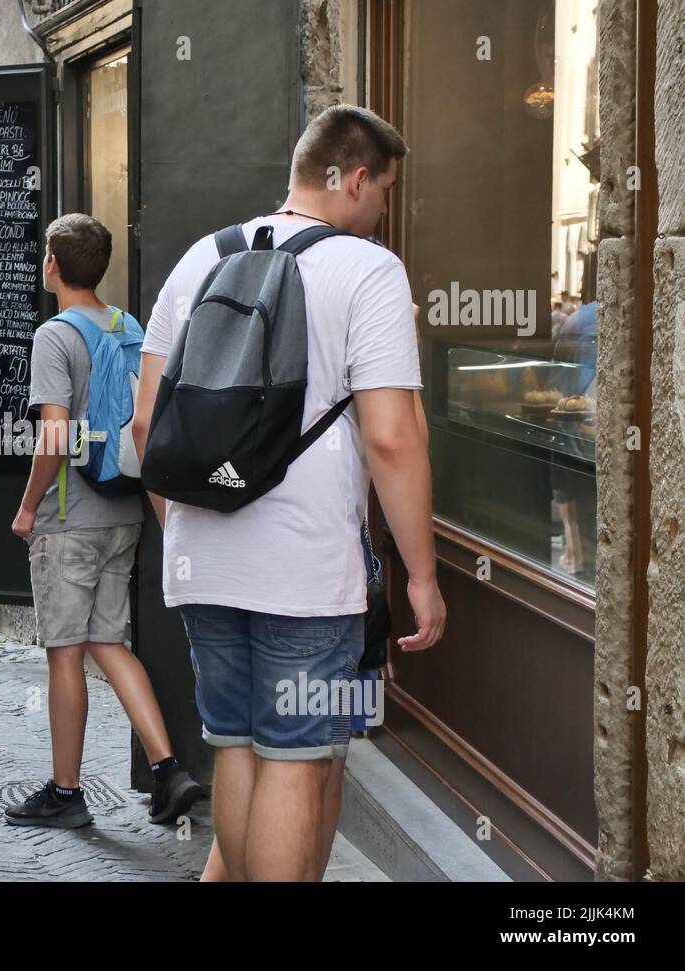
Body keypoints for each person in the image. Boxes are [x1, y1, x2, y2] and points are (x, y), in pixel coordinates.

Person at [132, 105, 446, 882]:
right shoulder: (369, 269)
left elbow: (144, 425)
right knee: (298, 760)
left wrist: (186, 531)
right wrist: (422, 574)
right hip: (306, 572)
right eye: (384, 193)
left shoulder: (201, 257)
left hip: (204, 561)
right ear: (357, 178)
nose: (381, 211)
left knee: (233, 745)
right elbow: (393, 437)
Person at [5, 213, 202, 830]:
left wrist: (28, 506)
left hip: (70, 517)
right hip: (125, 509)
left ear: (54, 267)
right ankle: (169, 769)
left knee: (64, 653)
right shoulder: (130, 326)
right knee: (108, 643)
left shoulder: (55, 335)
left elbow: (55, 436)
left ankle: (66, 793)